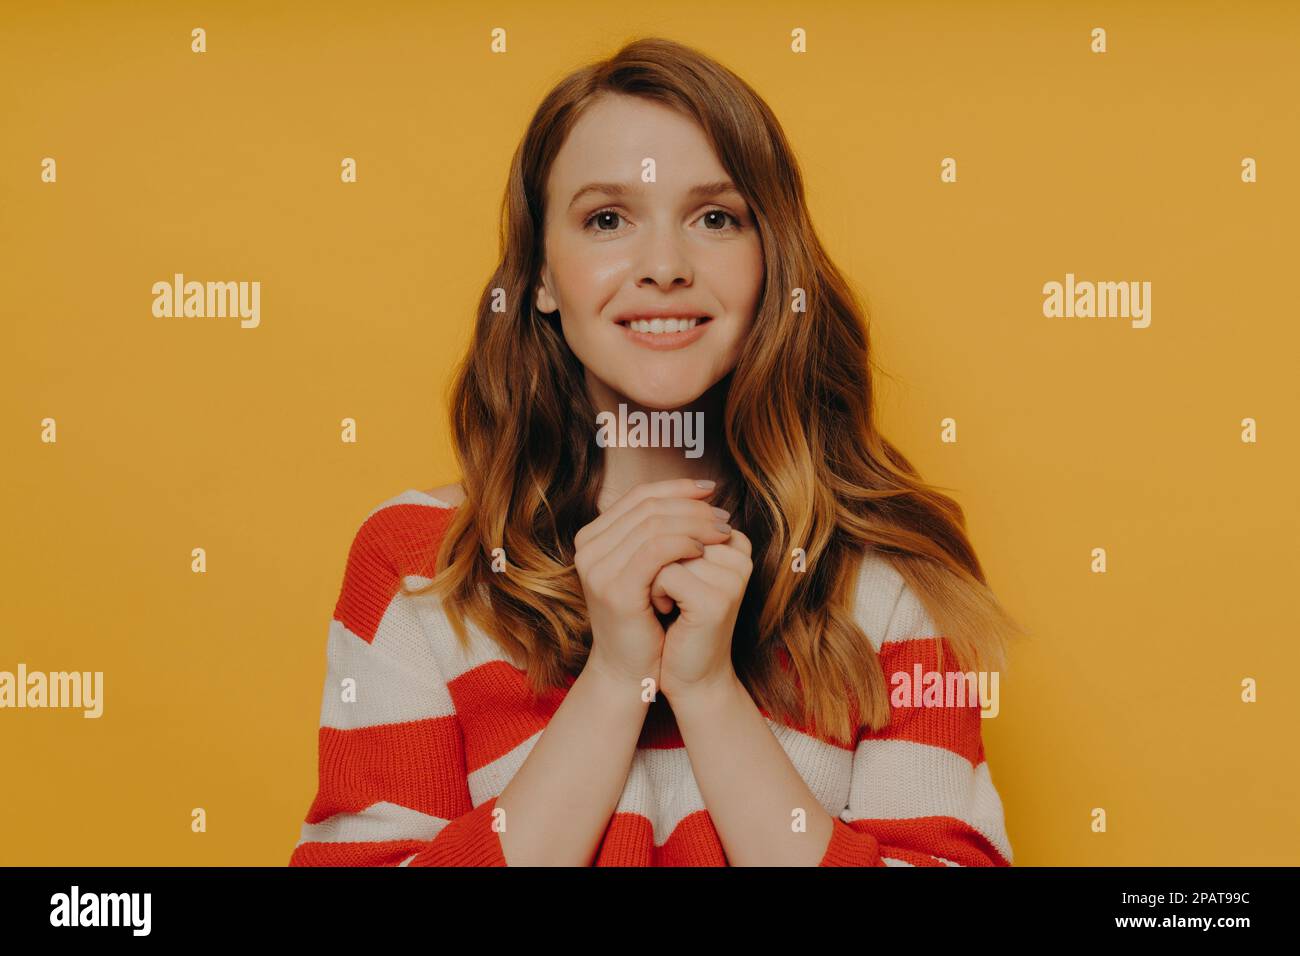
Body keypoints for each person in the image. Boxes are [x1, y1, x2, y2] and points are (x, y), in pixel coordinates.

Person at [289, 36, 1027, 867]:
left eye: (715, 218)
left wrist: (708, 694)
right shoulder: (421, 567)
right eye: (607, 219)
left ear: (772, 261)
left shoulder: (893, 574)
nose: (666, 267)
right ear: (538, 276)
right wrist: (615, 680)